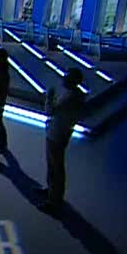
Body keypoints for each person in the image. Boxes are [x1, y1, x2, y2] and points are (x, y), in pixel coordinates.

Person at [39, 67, 86, 211]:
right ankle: (51, 191)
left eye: (67, 76)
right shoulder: (78, 95)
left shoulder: (69, 97)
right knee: (53, 165)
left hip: (56, 134)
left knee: (55, 166)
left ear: (72, 80)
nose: (63, 78)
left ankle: (54, 201)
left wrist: (49, 97)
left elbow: (49, 111)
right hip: (62, 133)